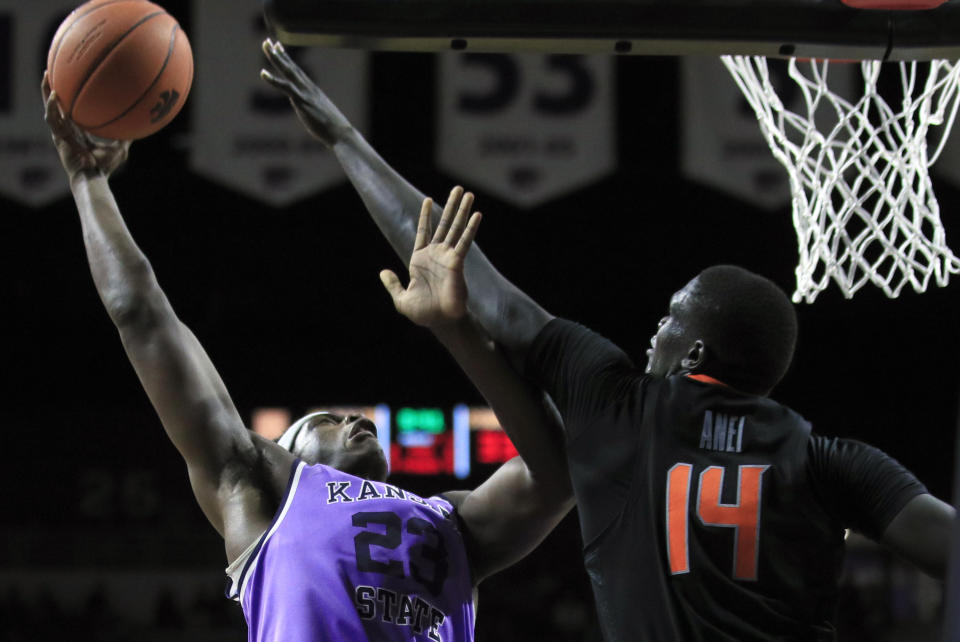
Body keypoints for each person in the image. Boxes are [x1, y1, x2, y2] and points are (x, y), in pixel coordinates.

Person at [260, 39, 957, 641]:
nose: (652, 335)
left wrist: (344, 140)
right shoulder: (832, 460)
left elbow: (478, 279)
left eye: (667, 323)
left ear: (691, 357)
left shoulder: (624, 406)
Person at [42, 72, 574, 641]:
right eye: (327, 418)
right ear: (286, 450)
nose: (357, 418)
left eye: (348, 415)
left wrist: (458, 330)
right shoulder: (261, 485)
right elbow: (141, 314)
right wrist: (87, 181)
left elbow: (560, 468)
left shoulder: (453, 525)